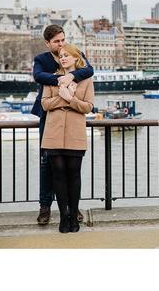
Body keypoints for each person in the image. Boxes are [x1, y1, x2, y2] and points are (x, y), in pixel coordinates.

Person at [31, 25, 93, 225]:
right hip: (48, 116)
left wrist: (73, 75)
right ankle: (45, 206)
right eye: (56, 41)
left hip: (73, 119)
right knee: (47, 163)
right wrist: (62, 80)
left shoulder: (74, 52)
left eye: (63, 40)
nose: (61, 45)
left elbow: (89, 69)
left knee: (71, 169)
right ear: (48, 43)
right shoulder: (42, 59)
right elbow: (39, 77)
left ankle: (71, 210)